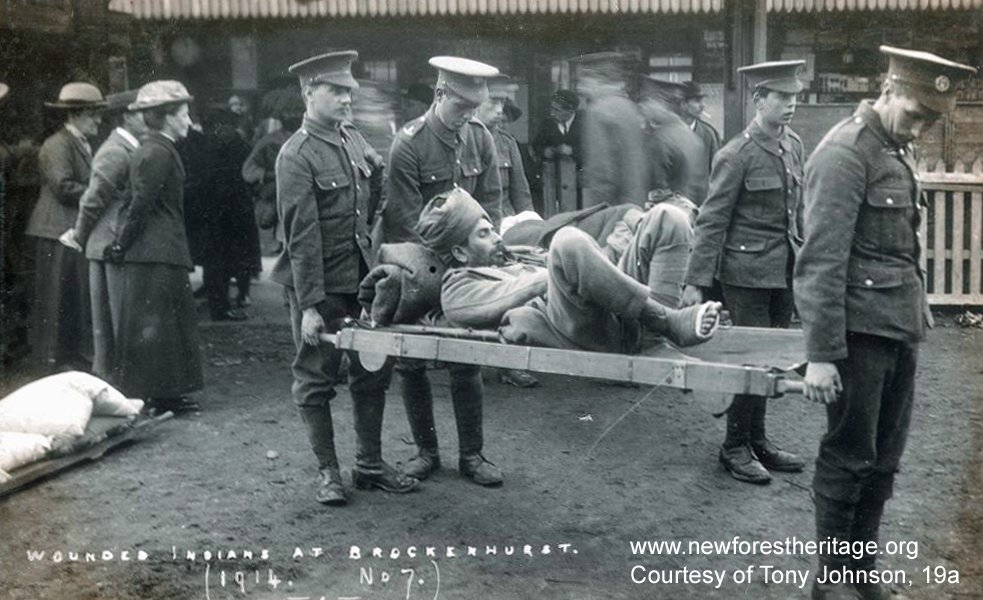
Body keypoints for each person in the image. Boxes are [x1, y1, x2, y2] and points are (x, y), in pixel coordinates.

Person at [795, 46, 976, 600]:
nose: (920, 128)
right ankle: (829, 579)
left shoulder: (892, 149)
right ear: (889, 88)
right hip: (857, 334)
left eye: (930, 120)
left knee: (884, 459)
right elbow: (820, 260)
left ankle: (859, 571)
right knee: (849, 454)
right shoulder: (845, 154)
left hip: (898, 326)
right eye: (916, 114)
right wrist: (822, 354)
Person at [272, 51, 418, 506]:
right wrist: (311, 306)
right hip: (320, 284)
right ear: (308, 92)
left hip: (361, 279)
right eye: (336, 90)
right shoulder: (295, 155)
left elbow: (377, 181)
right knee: (317, 377)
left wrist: (370, 228)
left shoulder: (352, 140)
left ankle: (370, 466)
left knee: (372, 371)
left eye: (349, 91)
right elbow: (301, 236)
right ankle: (328, 473)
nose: (347, 99)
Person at [680, 61, 807, 485]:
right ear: (758, 100)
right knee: (747, 362)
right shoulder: (735, 154)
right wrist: (696, 283)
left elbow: (797, 214)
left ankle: (758, 440)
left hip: (782, 270)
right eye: (781, 97)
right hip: (745, 273)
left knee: (771, 361)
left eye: (794, 97)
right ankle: (734, 446)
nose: (790, 105)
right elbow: (711, 221)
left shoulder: (793, 146)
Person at [381, 56, 504, 487]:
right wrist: (443, 267)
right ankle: (425, 451)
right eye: (461, 108)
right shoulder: (408, 144)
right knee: (412, 361)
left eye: (474, 110)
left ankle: (472, 454)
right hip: (417, 267)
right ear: (439, 95)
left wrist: (482, 259)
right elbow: (404, 222)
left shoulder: (480, 138)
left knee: (466, 360)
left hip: (467, 269)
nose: (468, 117)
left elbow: (491, 205)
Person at [416, 188, 720, 353]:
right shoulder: (457, 288)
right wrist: (576, 265)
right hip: (574, 326)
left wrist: (609, 253)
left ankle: (656, 336)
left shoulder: (514, 254)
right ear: (458, 251)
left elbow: (579, 271)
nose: (497, 237)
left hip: (608, 311)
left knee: (668, 216)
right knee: (567, 241)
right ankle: (667, 321)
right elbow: (534, 285)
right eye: (483, 234)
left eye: (492, 230)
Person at [105, 81, 204, 413]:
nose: (189, 121)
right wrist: (122, 243)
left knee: (162, 324)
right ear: (166, 117)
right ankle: (156, 394)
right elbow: (140, 205)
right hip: (154, 251)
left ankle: (164, 393)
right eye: (184, 114)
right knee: (158, 325)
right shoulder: (156, 152)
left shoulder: (157, 149)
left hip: (157, 250)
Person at [61, 89, 145, 382]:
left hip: (111, 240)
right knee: (116, 320)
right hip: (109, 241)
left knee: (116, 319)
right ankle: (118, 382)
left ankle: (120, 379)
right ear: (127, 117)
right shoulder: (115, 150)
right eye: (141, 112)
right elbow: (93, 200)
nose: (148, 117)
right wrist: (80, 235)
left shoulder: (127, 147)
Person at [26, 82, 105, 372]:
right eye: (93, 114)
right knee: (57, 297)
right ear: (75, 114)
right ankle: (53, 363)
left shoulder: (80, 142)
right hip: (54, 230)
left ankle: (69, 359)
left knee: (71, 295)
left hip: (67, 229)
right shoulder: (57, 144)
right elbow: (63, 186)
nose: (98, 120)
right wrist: (101, 194)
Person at [574, 52, 647, 208]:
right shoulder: (629, 107)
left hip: (611, 208)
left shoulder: (598, 111)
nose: (579, 88)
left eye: (582, 80)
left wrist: (594, 214)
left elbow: (601, 173)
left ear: (596, 78)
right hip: (635, 204)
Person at [636, 76, 704, 203]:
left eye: (647, 102)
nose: (643, 107)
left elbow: (654, 192)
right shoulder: (690, 135)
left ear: (661, 104)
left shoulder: (659, 139)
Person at [681, 82, 721, 206]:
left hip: (701, 205)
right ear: (683, 104)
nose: (702, 106)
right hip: (674, 208)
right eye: (697, 101)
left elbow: (717, 175)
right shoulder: (668, 133)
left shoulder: (709, 134)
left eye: (702, 101)